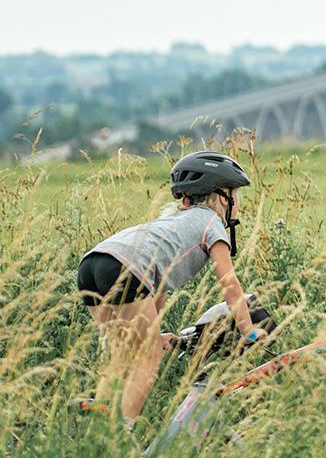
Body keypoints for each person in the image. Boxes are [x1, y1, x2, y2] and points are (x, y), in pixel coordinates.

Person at [77, 151, 262, 424]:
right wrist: (249, 331)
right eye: (236, 196)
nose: (238, 206)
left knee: (124, 353)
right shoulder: (211, 223)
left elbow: (156, 282)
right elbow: (229, 282)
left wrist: (156, 331)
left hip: (93, 265)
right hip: (126, 268)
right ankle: (121, 432)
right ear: (222, 196)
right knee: (148, 357)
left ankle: (101, 420)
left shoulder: (174, 222)